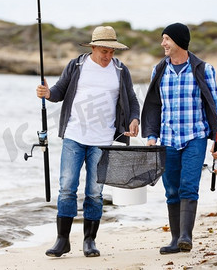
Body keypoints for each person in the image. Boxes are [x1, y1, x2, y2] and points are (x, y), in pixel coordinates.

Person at [36, 26, 140, 258]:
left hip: (103, 141)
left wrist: (134, 118)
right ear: (93, 48)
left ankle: (89, 241)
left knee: (95, 192)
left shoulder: (120, 70)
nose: (108, 56)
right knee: (66, 188)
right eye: (104, 51)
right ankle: (62, 241)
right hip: (74, 136)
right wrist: (47, 93)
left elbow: (132, 98)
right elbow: (59, 92)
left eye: (111, 51)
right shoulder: (77, 65)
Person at [141, 23, 217, 255]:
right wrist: (151, 135)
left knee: (188, 186)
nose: (163, 44)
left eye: (167, 39)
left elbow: (216, 107)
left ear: (179, 42)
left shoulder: (202, 69)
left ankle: (186, 236)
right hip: (168, 140)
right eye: (163, 39)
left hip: (195, 137)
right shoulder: (159, 70)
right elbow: (154, 106)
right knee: (171, 190)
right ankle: (175, 239)